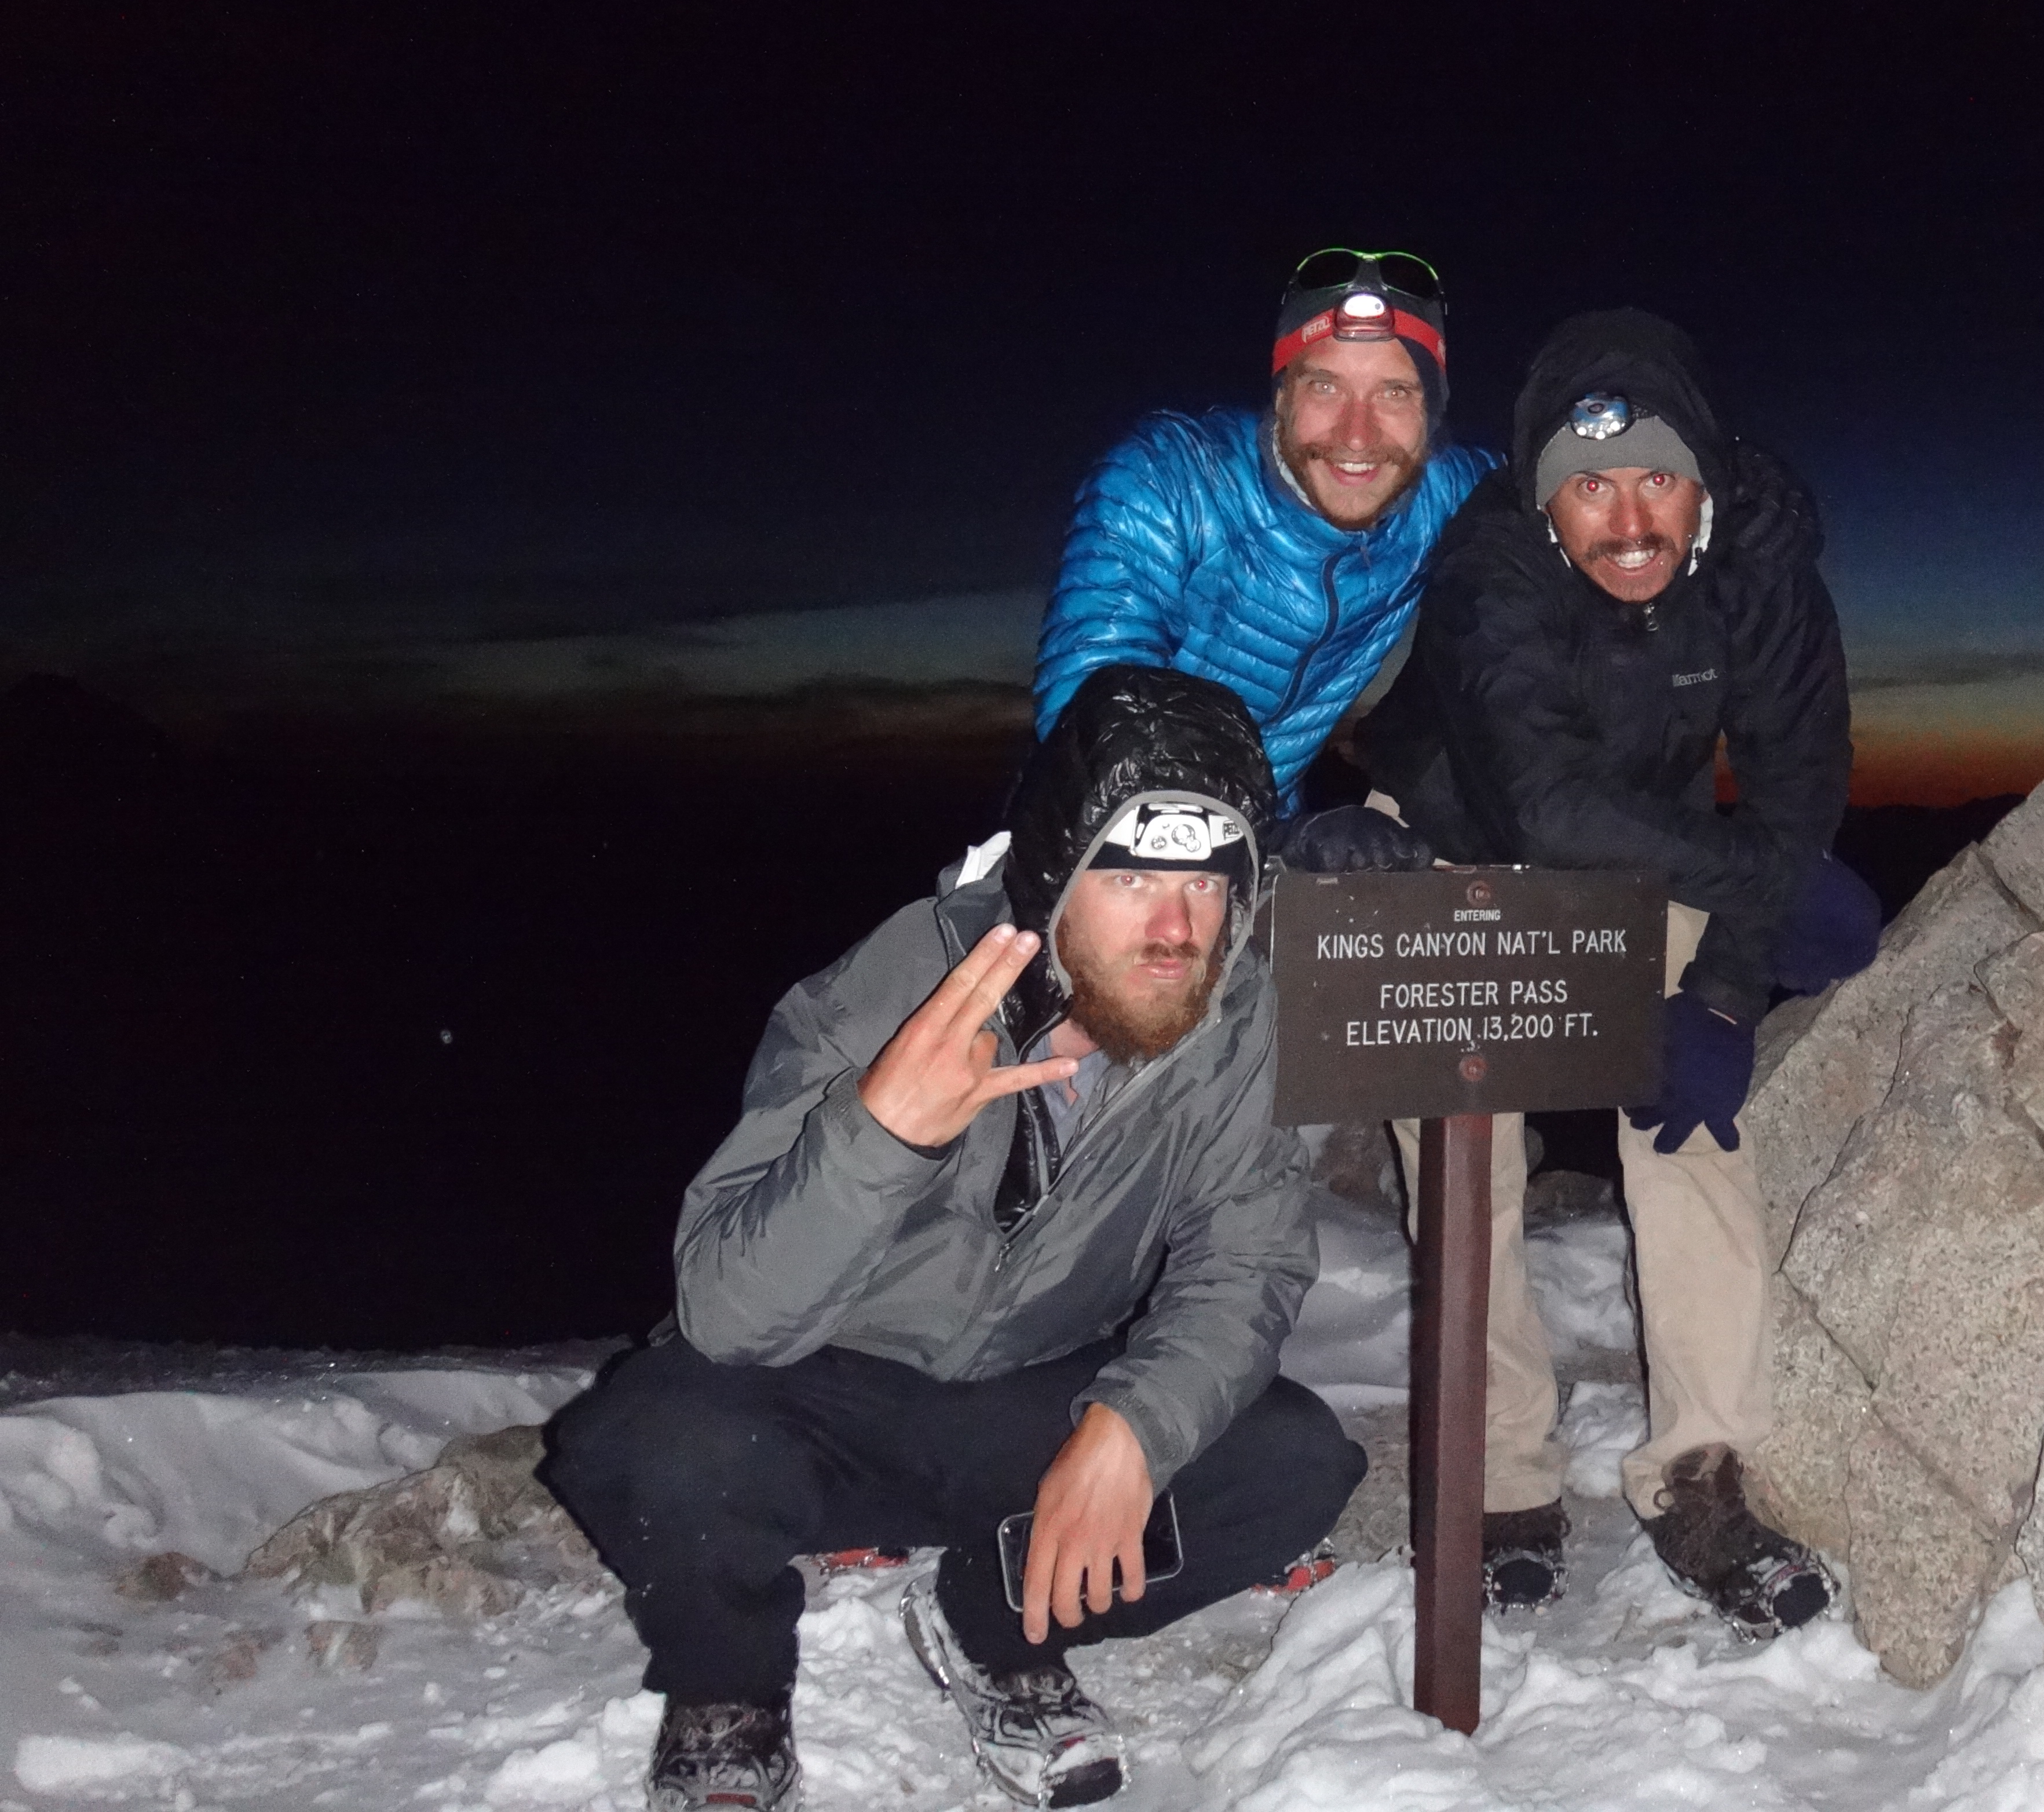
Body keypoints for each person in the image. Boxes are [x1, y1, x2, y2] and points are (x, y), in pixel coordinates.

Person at [544, 666, 1365, 1811]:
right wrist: (881, 1134)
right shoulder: (891, 989)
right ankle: (726, 1686)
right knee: (654, 1446)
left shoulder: (1229, 1024)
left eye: (1206, 883)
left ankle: (996, 1624)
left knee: (1294, 1464)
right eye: (1131, 877)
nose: (1176, 929)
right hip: (817, 1399)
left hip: (1026, 1404)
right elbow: (726, 1315)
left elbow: (1250, 1257)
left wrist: (1134, 1427)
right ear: (1054, 875)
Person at [1354, 308, 1882, 1636]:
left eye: (1658, 478)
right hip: (1465, 840)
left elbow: (1797, 784)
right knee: (1463, 1148)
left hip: (1657, 843)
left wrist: (1726, 990)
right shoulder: (1488, 572)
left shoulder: (1762, 564)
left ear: (1705, 481)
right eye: (1590, 487)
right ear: (1545, 502)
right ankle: (1498, 1478)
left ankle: (1702, 1471)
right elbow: (1542, 810)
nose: (1630, 519)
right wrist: (1769, 891)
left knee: (1698, 1128)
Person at [1033, 248, 1500, 828]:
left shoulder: (1445, 498)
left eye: (1394, 393)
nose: (1357, 435)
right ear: (1281, 399)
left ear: (1431, 416)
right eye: (1325, 387)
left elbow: (1564, 495)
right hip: (1106, 834)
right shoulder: (1169, 480)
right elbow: (1092, 712)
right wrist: (1260, 838)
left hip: (1272, 826)